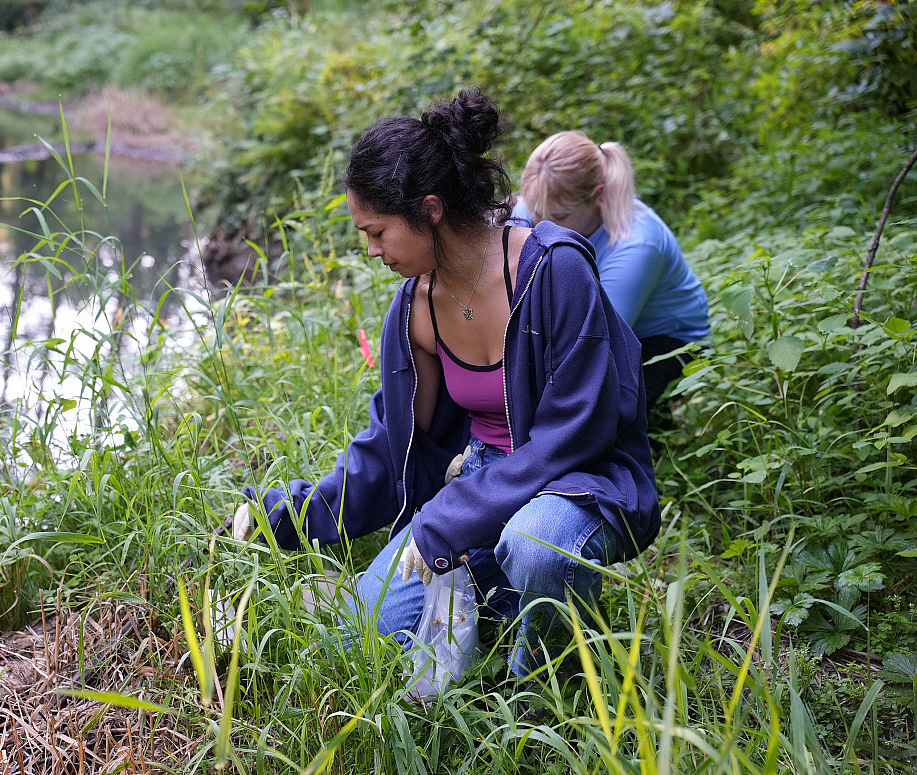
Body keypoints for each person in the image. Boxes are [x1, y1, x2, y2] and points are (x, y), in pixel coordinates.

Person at [233, 89, 661, 681]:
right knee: (372, 627)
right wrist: (292, 513)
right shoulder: (416, 308)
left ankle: (545, 680)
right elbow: (393, 445)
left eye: (378, 231)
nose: (372, 250)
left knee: (538, 545)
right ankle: (510, 598)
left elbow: (576, 433)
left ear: (430, 209)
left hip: (579, 481)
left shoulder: (555, 268)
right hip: (483, 478)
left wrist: (450, 519)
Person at [510, 131, 710, 408]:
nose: (538, 226)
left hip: (664, 343)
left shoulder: (636, 244)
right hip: (580, 326)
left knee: (600, 413)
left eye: (557, 217)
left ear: (597, 196)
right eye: (533, 211)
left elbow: (596, 343)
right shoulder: (537, 205)